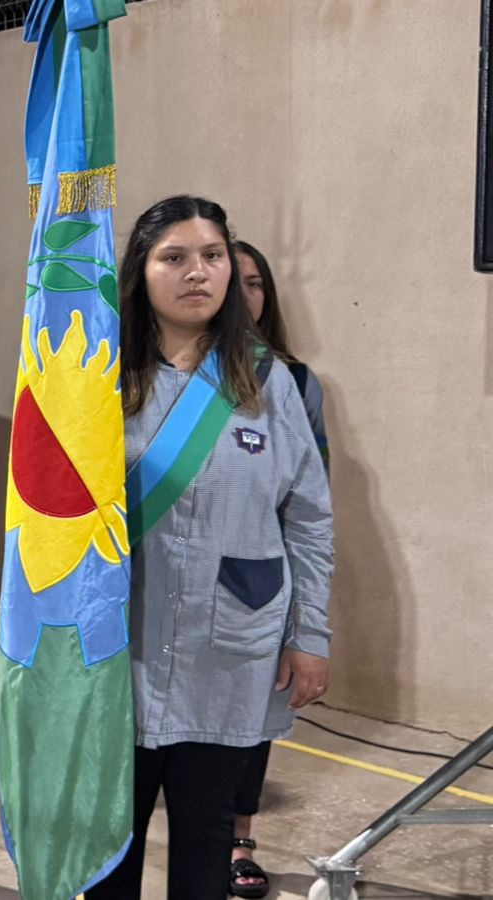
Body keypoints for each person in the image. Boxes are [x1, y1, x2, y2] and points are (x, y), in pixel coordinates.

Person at [85, 196, 333, 900]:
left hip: (227, 649)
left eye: (212, 256)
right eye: (175, 257)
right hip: (117, 648)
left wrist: (309, 633)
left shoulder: (268, 381)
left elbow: (309, 518)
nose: (197, 272)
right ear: (141, 270)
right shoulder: (99, 375)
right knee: (107, 846)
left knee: (204, 840)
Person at [226, 239, 330, 899]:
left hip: (258, 585)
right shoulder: (158, 371)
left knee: (253, 717)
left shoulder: (293, 381)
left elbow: (313, 502)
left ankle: (239, 839)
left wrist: (306, 622)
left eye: (255, 282)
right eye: (232, 278)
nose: (243, 294)